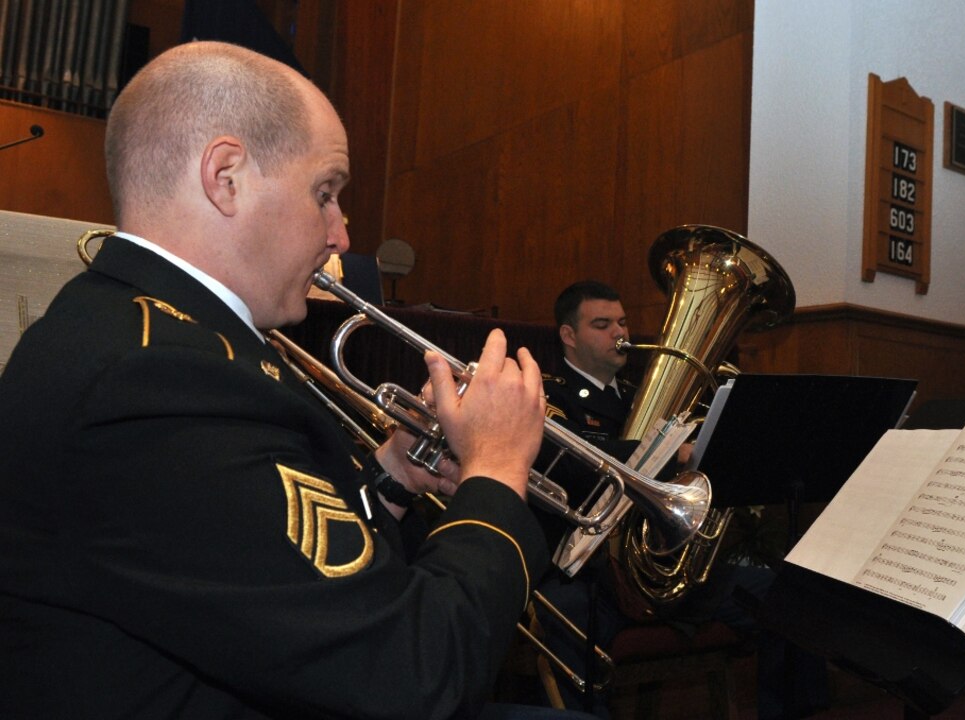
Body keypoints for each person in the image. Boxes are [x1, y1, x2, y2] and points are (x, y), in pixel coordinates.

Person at [0, 40, 594, 720]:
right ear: (226, 177)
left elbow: (275, 564)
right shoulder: (155, 380)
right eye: (326, 193)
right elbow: (415, 674)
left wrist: (392, 478)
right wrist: (495, 472)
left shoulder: (163, 335)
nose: (341, 235)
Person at [532, 280, 828, 719]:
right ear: (568, 336)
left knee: (792, 599)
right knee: (565, 615)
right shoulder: (549, 395)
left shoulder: (640, 395)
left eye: (622, 321)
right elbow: (569, 457)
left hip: (665, 569)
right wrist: (667, 453)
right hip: (593, 575)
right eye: (601, 324)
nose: (618, 332)